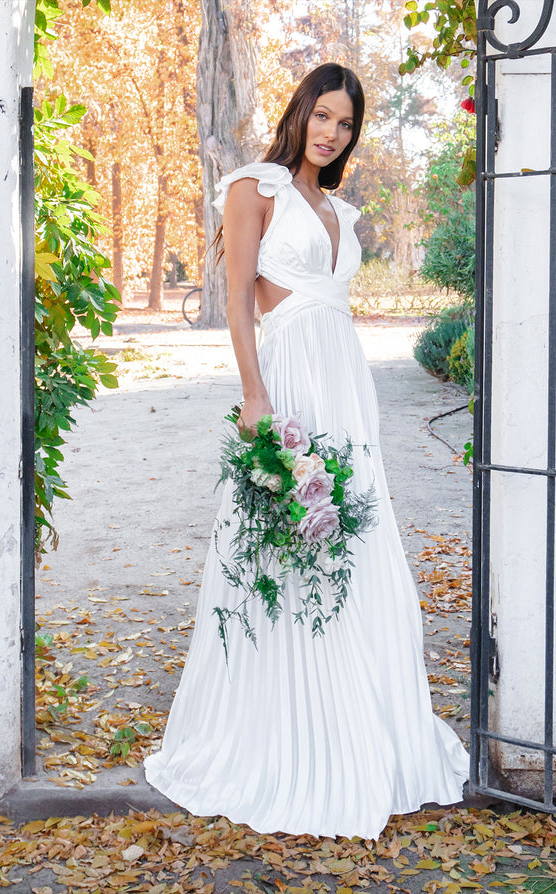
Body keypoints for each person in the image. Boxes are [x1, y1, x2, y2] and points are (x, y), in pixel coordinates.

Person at [144, 62, 469, 840]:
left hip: (344, 382)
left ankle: (366, 716)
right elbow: (237, 303)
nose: (331, 132)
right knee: (286, 542)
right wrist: (255, 395)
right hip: (287, 379)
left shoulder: (336, 208)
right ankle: (289, 726)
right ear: (300, 111)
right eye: (323, 115)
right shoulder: (254, 188)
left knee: (352, 536)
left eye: (346, 124)